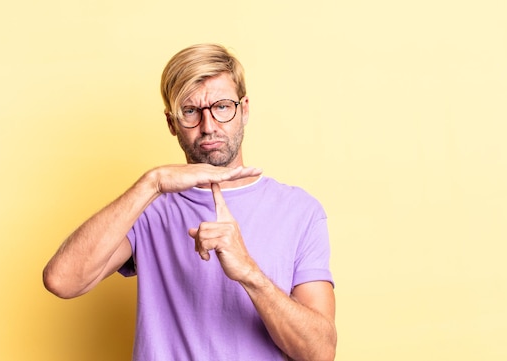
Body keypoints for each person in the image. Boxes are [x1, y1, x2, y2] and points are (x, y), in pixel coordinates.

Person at [43, 43, 337, 361]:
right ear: (172, 123)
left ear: (245, 109)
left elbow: (319, 352)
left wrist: (250, 273)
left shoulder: (300, 211)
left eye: (222, 106)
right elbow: (62, 281)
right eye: (191, 111)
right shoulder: (148, 208)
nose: (208, 126)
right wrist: (151, 183)